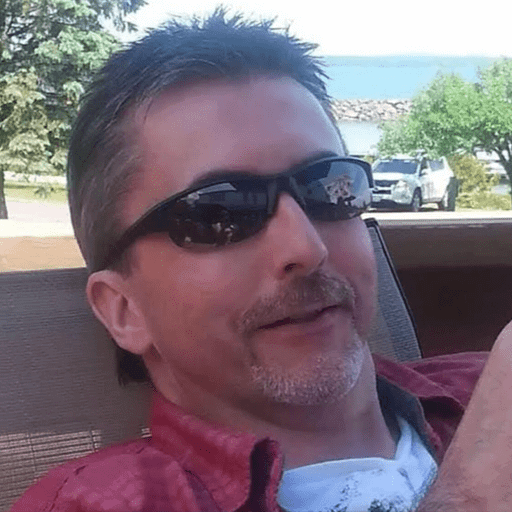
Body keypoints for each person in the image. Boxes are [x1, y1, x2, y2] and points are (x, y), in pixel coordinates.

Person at [11, 9, 511, 512]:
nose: (306, 248)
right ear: (124, 309)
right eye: (221, 211)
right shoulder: (108, 501)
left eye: (327, 187)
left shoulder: (489, 387)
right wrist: (469, 498)